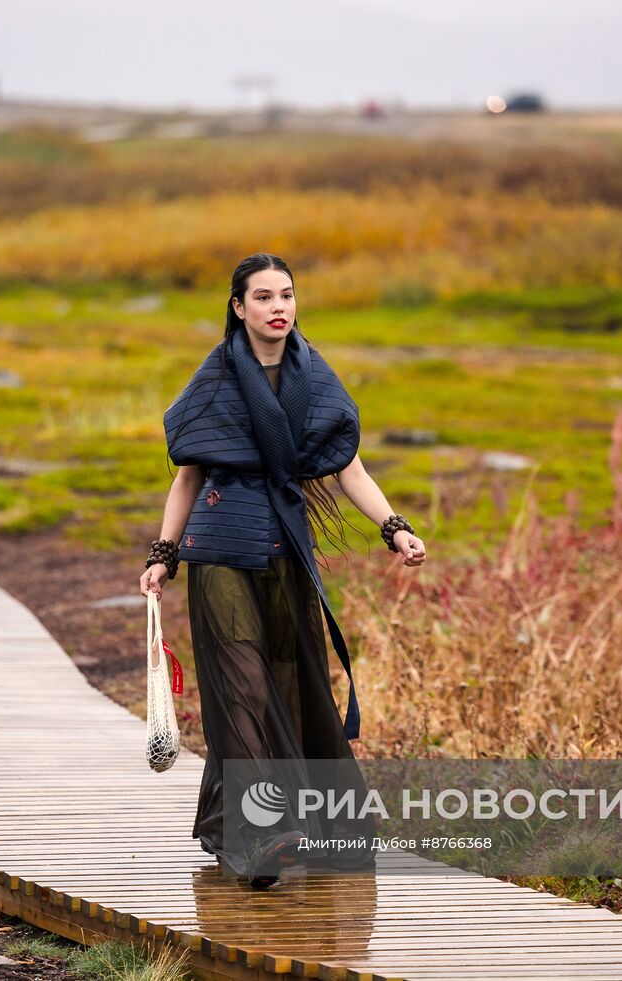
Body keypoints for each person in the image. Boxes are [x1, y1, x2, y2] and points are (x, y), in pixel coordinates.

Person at [140, 253, 426, 888]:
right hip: (220, 552)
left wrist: (394, 527)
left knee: (295, 689)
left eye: (288, 295)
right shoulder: (215, 377)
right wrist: (163, 555)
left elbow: (348, 467)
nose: (279, 307)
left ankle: (275, 830)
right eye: (263, 296)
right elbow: (188, 475)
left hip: (285, 552)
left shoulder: (313, 378)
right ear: (238, 307)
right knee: (241, 687)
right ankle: (261, 840)